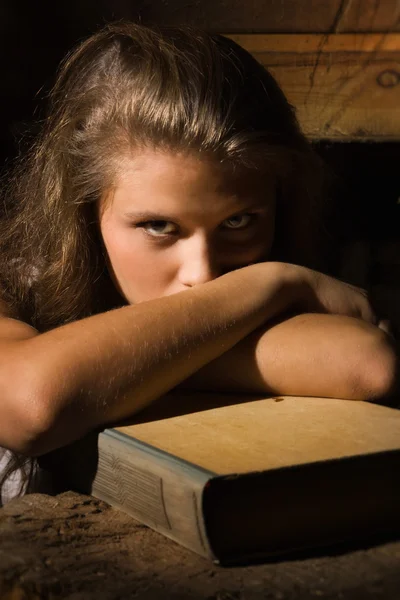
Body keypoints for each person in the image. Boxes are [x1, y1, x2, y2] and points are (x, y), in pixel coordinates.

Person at [0, 21, 398, 504]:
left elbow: (366, 361)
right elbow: (32, 405)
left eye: (239, 223)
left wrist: (104, 371)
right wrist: (272, 281)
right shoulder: (13, 288)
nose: (204, 275)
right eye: (159, 227)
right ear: (83, 213)